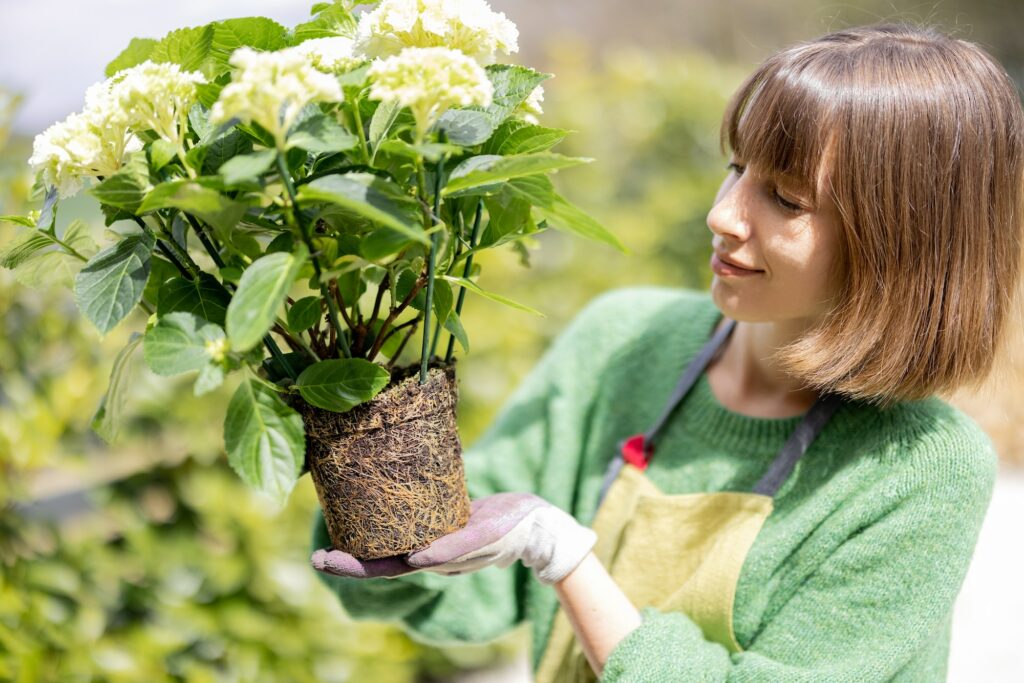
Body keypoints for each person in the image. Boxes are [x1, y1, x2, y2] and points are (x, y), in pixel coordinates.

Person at [309, 22, 1023, 682]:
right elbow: (471, 592)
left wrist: (562, 553)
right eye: (736, 168)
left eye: (785, 198)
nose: (723, 215)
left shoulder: (920, 468)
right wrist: (370, 494)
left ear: (904, 242)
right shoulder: (623, 341)